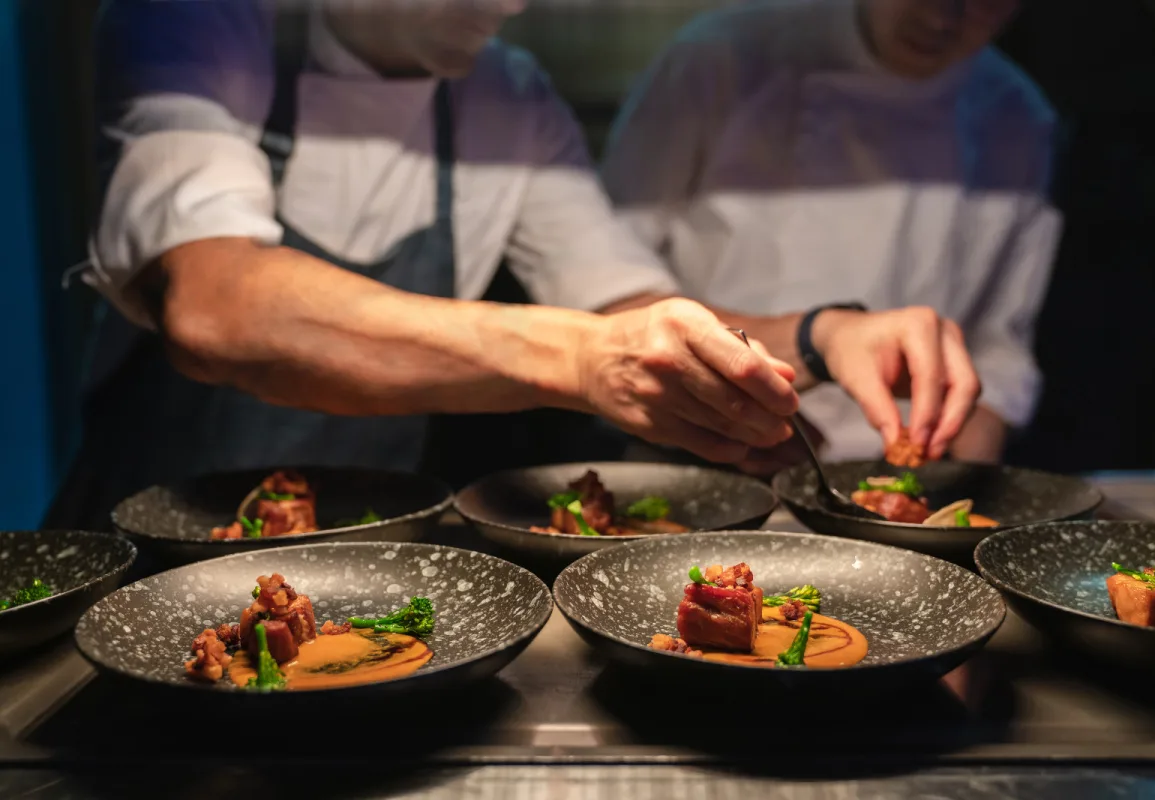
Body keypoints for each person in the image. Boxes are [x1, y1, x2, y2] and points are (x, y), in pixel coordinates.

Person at [46, 0, 979, 529]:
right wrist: (581, 360)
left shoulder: (507, 97)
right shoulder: (200, 21)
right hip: (149, 563)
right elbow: (217, 307)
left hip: (375, 563)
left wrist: (823, 333)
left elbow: (631, 304)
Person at [603, 0, 1057, 465]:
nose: (941, 18)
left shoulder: (1016, 114)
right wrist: (722, 407)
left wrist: (966, 474)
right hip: (701, 452)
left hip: (897, 467)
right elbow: (610, 280)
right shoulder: (718, 55)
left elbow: (1000, 344)